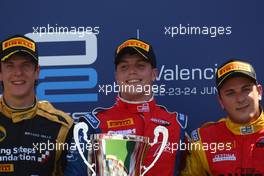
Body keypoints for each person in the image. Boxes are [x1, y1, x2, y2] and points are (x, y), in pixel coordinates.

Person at [65, 38, 188, 175]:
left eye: (140, 65)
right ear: (116, 76)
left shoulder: (177, 124)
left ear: (154, 74)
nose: (131, 72)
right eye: (124, 66)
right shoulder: (93, 124)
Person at [0, 34, 74, 175]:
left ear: (37, 72)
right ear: (0, 73)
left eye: (25, 65)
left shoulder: (62, 126)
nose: (18, 73)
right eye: (10, 66)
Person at [181, 59, 264, 175]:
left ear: (259, 92)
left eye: (246, 89)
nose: (240, 99)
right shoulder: (204, 140)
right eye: (230, 93)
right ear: (220, 101)